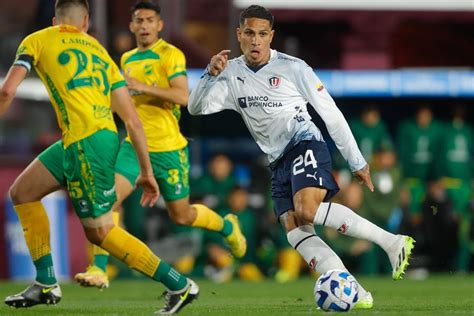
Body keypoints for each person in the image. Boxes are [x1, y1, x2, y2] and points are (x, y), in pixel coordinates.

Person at [188, 5, 415, 309]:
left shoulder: (294, 68)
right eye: (250, 34)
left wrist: (356, 160)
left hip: (305, 142)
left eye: (262, 34)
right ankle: (352, 288)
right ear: (239, 35)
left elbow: (330, 114)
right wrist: (208, 75)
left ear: (272, 36)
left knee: (307, 211)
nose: (256, 41)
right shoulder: (230, 74)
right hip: (277, 160)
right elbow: (196, 108)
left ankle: (392, 242)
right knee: (295, 230)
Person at [1, 1, 198, 313]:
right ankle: (46, 282)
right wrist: (146, 171)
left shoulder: (37, 39)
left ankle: (179, 284)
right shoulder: (99, 51)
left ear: (55, 20)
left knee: (102, 232)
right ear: (85, 21)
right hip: (90, 138)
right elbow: (132, 120)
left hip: (86, 145)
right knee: (22, 192)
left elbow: (7, 90)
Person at [75, 0, 246, 290]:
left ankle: (228, 226)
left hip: (169, 149)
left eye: (149, 20)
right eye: (138, 21)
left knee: (182, 215)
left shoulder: (170, 54)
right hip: (134, 147)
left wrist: (140, 86)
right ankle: (98, 269)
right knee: (106, 202)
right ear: (131, 26)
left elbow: (183, 98)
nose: (143, 26)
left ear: (159, 24)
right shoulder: (127, 58)